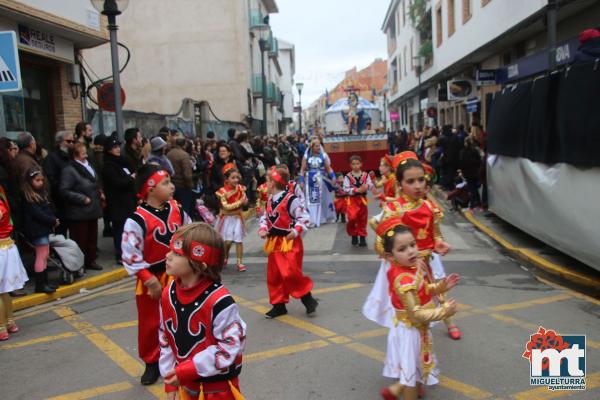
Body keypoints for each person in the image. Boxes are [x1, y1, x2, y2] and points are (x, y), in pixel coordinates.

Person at [159, 222, 247, 400]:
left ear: (200, 264)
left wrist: (187, 370)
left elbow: (228, 347)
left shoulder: (220, 302)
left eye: (177, 254)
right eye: (170, 250)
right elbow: (165, 336)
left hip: (217, 389)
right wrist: (169, 379)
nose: (167, 256)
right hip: (185, 383)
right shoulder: (168, 292)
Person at [121, 164, 191, 385]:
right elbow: (130, 255)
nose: (171, 186)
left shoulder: (177, 209)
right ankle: (152, 362)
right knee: (151, 322)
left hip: (178, 275)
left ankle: (183, 355)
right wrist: (149, 280)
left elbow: (190, 233)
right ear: (150, 188)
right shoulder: (137, 219)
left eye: (170, 182)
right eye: (165, 183)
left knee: (182, 316)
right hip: (152, 278)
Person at [375, 220, 459, 400]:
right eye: (402, 249)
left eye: (412, 245)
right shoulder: (403, 279)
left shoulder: (410, 268)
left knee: (417, 365)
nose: (411, 251)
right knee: (411, 374)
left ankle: (396, 391)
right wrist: (444, 311)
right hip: (410, 330)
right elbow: (416, 313)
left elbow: (424, 289)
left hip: (416, 328)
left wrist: (441, 286)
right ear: (391, 256)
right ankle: (404, 391)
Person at [258, 167, 317, 319]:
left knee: (289, 272)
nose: (266, 184)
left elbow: (303, 216)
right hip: (274, 242)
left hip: (289, 242)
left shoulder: (291, 199)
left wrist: (297, 230)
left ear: (274, 182)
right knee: (274, 275)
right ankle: (278, 305)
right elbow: (266, 217)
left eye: (268, 181)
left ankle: (307, 298)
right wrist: (263, 229)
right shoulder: (270, 199)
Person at [60, 143, 103, 272]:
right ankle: (80, 264)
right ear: (75, 155)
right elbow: (64, 190)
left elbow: (94, 181)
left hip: (92, 209)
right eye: (82, 151)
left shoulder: (88, 165)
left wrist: (100, 192)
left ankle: (91, 260)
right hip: (79, 211)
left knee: (92, 238)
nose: (86, 153)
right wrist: (82, 198)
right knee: (80, 239)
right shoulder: (69, 170)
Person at [21, 168, 59, 293]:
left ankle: (44, 283)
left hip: (42, 228)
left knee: (45, 255)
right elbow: (38, 214)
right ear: (30, 181)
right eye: (37, 180)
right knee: (41, 256)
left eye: (42, 180)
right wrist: (52, 220)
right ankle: (40, 285)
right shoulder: (29, 197)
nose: (41, 183)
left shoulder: (38, 194)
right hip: (37, 230)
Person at [0, 183, 29, 340]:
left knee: (1, 290)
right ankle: (10, 322)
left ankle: (1, 327)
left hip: (2, 250)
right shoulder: (3, 202)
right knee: (4, 290)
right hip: (7, 248)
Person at [102, 135, 136, 265]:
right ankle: (121, 255)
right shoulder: (108, 166)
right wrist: (131, 178)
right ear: (109, 150)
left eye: (118, 147)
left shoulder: (123, 162)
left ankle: (130, 252)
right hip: (117, 203)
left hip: (128, 201)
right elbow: (118, 183)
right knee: (120, 230)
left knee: (129, 229)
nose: (117, 149)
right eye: (114, 147)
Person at [215, 164, 248, 272]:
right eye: (233, 178)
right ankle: (225, 257)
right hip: (227, 218)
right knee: (227, 241)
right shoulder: (222, 192)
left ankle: (239, 262)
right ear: (227, 179)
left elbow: (245, 201)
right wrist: (240, 202)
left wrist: (245, 202)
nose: (235, 180)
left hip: (238, 217)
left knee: (238, 239)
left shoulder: (241, 188)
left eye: (237, 177)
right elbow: (225, 206)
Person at [43, 131, 75, 236]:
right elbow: (52, 180)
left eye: (73, 141)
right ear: (60, 142)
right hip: (61, 202)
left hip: (75, 200)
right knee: (61, 232)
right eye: (69, 141)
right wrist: (65, 189)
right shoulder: (51, 158)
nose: (72, 143)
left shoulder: (73, 156)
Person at [299, 138, 336, 227]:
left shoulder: (323, 155)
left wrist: (333, 176)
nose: (318, 147)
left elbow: (328, 168)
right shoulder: (306, 156)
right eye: (316, 146)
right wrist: (301, 180)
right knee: (311, 200)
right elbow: (302, 169)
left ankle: (322, 218)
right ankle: (311, 219)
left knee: (322, 199)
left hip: (321, 180)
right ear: (312, 146)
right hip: (310, 180)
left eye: (319, 145)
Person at [343, 155, 373, 247]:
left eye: (357, 163)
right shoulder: (348, 177)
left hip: (362, 200)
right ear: (350, 165)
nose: (355, 166)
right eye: (353, 164)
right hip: (352, 200)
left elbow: (371, 185)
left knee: (362, 218)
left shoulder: (365, 175)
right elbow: (345, 189)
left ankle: (362, 237)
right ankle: (354, 234)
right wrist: (356, 190)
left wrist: (368, 186)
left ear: (361, 164)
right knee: (352, 217)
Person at [167, 138, 194, 215]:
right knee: (184, 210)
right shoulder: (184, 155)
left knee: (174, 209)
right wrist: (190, 186)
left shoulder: (169, 154)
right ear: (184, 144)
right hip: (183, 186)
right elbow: (187, 174)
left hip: (172, 184)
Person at [459, 138, 482, 210]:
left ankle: (472, 205)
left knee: (471, 188)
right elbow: (479, 161)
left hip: (467, 173)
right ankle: (478, 204)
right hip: (475, 172)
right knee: (474, 188)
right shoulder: (475, 151)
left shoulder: (463, 152)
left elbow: (462, 162)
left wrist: (462, 171)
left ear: (465, 143)